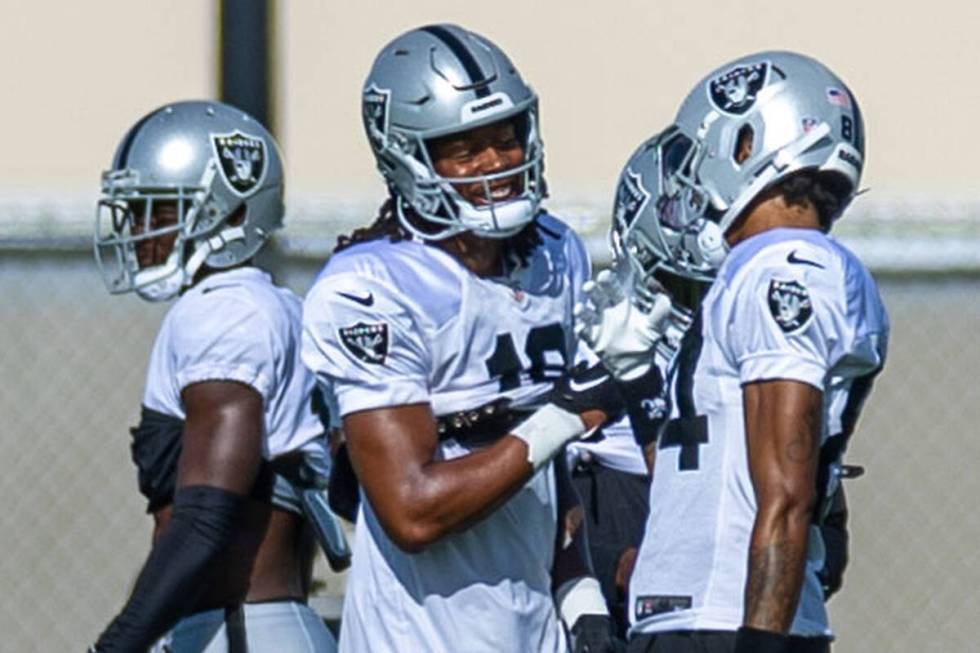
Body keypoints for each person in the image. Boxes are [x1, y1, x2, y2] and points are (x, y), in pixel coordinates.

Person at [301, 24, 621, 653]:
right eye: (465, 148)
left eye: (506, 137)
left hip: (535, 629)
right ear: (407, 157)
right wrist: (566, 413)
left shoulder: (554, 256)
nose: (497, 163)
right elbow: (412, 511)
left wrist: (580, 599)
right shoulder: (371, 287)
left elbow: (548, 474)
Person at [580, 52, 890, 653]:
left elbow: (787, 492)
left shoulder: (787, 268)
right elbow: (696, 465)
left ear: (746, 144)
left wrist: (759, 641)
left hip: (728, 623)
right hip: (692, 616)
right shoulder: (755, 269)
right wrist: (640, 377)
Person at [89, 100, 339, 653]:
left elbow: (205, 521)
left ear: (227, 213)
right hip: (254, 627)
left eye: (157, 209)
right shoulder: (275, 307)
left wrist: (114, 647)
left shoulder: (223, 312)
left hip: (240, 631)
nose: (138, 231)